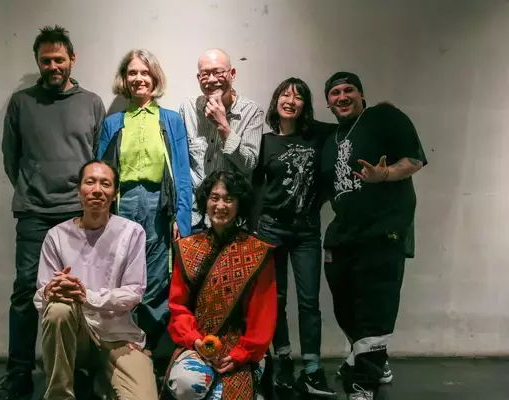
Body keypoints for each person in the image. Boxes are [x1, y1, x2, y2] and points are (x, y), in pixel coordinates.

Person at [0, 25, 106, 400]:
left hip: (78, 216)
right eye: (46, 61)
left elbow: (98, 161)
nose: (53, 66)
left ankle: (79, 369)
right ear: (38, 62)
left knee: (78, 291)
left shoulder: (91, 103)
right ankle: (18, 374)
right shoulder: (21, 102)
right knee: (27, 291)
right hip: (33, 213)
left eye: (59, 59)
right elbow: (11, 158)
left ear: (72, 59)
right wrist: (33, 188)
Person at [320, 72, 428, 400]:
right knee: (344, 307)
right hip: (343, 235)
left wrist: (385, 174)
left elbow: (414, 160)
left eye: (349, 90)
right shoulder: (329, 138)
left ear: (362, 95)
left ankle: (364, 382)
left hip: (382, 230)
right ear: (328, 102)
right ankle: (373, 361)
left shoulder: (384, 117)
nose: (342, 96)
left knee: (375, 309)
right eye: (335, 92)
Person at [33, 160, 158, 400]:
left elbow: (134, 292)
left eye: (105, 184)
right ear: (79, 191)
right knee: (58, 308)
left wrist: (86, 296)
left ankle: (100, 380)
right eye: (90, 182)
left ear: (115, 193)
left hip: (117, 336)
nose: (97, 190)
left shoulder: (131, 232)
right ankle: (60, 395)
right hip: (75, 336)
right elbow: (40, 299)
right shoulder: (56, 236)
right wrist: (51, 291)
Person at [96, 49, 192, 356]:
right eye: (132, 73)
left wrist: (182, 218)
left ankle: (150, 347)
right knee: (120, 273)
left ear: (155, 78)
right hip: (123, 205)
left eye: (145, 72)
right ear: (124, 79)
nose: (139, 78)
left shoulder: (171, 120)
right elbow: (101, 172)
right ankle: (122, 344)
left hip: (158, 205)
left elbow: (182, 172)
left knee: (156, 276)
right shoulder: (114, 122)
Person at [252, 77, 336, 397]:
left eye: (298, 96)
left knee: (309, 301)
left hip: (306, 231)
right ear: (276, 102)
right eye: (285, 95)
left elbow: (349, 126)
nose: (291, 100)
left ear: (305, 106)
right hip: (270, 229)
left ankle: (312, 368)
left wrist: (375, 112)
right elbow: (255, 187)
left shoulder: (318, 136)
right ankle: (284, 359)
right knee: (275, 299)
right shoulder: (265, 142)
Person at [162, 170, 277, 400]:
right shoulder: (188, 248)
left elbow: (263, 315)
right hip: (197, 343)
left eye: (229, 199)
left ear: (239, 204)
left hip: (241, 347)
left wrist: (241, 353)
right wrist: (195, 340)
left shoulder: (257, 251)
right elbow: (178, 307)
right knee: (186, 385)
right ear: (206, 202)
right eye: (214, 198)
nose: (221, 205)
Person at [179, 48, 264, 231]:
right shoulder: (188, 108)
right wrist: (177, 213)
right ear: (198, 78)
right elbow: (180, 167)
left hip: (232, 218)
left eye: (218, 72)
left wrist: (223, 126)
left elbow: (249, 164)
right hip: (194, 217)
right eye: (205, 74)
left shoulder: (251, 112)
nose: (211, 79)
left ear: (232, 74)